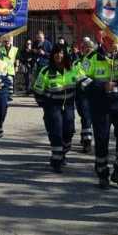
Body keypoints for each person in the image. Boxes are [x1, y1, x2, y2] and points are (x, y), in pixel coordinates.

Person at [82, 31, 118, 190]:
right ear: (103, 40)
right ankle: (102, 174)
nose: (113, 42)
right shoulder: (91, 57)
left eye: (116, 39)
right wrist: (101, 86)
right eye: (110, 39)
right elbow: (80, 79)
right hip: (100, 106)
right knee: (102, 141)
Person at [33, 44, 79, 173]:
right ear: (53, 55)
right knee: (56, 132)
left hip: (69, 105)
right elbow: (37, 91)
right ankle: (56, 160)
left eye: (62, 53)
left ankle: (63, 152)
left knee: (69, 131)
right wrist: (45, 106)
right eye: (57, 53)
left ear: (65, 55)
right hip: (52, 106)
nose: (59, 55)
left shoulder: (72, 69)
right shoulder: (46, 71)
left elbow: (83, 82)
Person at [72, 37, 94, 154]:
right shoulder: (78, 62)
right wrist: (93, 83)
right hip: (82, 93)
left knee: (87, 117)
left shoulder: (97, 60)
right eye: (86, 48)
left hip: (94, 94)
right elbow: (78, 77)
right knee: (85, 117)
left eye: (90, 48)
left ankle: (87, 141)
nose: (88, 50)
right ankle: (85, 138)